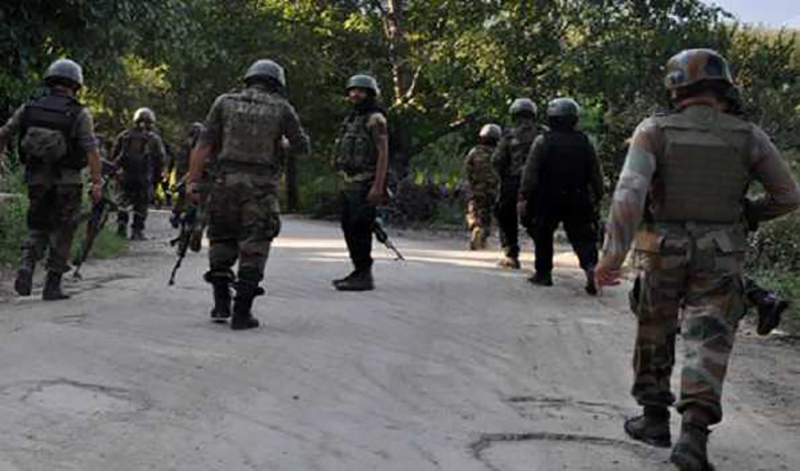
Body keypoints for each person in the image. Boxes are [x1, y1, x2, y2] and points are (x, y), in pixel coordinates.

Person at [594, 49, 800, 471]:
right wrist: (748, 212)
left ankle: (653, 420)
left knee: (655, 329)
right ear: (723, 87)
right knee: (709, 339)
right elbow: (788, 195)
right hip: (721, 253)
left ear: (676, 89)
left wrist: (611, 257)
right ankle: (693, 436)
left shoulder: (653, 130)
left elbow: (629, 195)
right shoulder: (749, 136)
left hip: (661, 250)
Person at [187, 59, 309, 330]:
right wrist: (283, 144)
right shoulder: (282, 108)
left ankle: (221, 303)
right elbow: (302, 147)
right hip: (261, 188)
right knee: (255, 245)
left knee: (221, 239)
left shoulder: (223, 102)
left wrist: (192, 183)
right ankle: (242, 313)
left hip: (224, 183)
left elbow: (203, 144)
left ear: (249, 78)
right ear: (277, 83)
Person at [0, 58, 102, 300]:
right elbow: (91, 150)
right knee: (63, 231)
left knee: (37, 225)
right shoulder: (79, 113)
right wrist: (97, 182)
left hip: (36, 179)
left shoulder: (29, 108)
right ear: (76, 85)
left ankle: (27, 263)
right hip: (68, 182)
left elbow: (3, 133)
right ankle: (52, 286)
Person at [518, 98, 603, 294]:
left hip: (548, 197)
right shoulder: (585, 141)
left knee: (543, 234)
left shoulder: (542, 141)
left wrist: (524, 196)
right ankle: (590, 267)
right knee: (583, 236)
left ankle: (543, 274)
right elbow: (595, 172)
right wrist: (598, 196)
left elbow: (530, 172)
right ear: (574, 119)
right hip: (578, 196)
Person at [331, 74, 390, 292]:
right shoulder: (351, 118)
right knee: (348, 227)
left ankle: (364, 274)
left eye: (361, 91)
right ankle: (358, 271)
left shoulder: (376, 119)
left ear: (370, 94)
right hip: (348, 182)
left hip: (365, 182)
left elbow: (383, 152)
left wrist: (378, 186)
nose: (355, 94)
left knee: (361, 228)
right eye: (352, 90)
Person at [492, 98, 540, 269]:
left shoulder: (509, 135)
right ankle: (543, 251)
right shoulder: (543, 133)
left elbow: (497, 160)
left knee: (505, 214)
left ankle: (511, 255)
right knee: (536, 219)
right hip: (539, 183)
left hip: (514, 181)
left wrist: (504, 177)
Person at [112, 107, 166, 240]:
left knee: (123, 202)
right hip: (144, 177)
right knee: (141, 204)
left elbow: (114, 156)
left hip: (125, 177)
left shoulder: (124, 136)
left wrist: (116, 174)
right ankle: (137, 231)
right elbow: (160, 160)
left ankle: (121, 228)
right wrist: (157, 180)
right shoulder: (154, 139)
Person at [464, 124, 501, 250]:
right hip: (493, 189)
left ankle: (475, 227)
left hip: (477, 188)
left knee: (473, 211)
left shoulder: (474, 152)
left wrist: (472, 183)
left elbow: (468, 169)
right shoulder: (499, 153)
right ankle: (483, 237)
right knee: (488, 214)